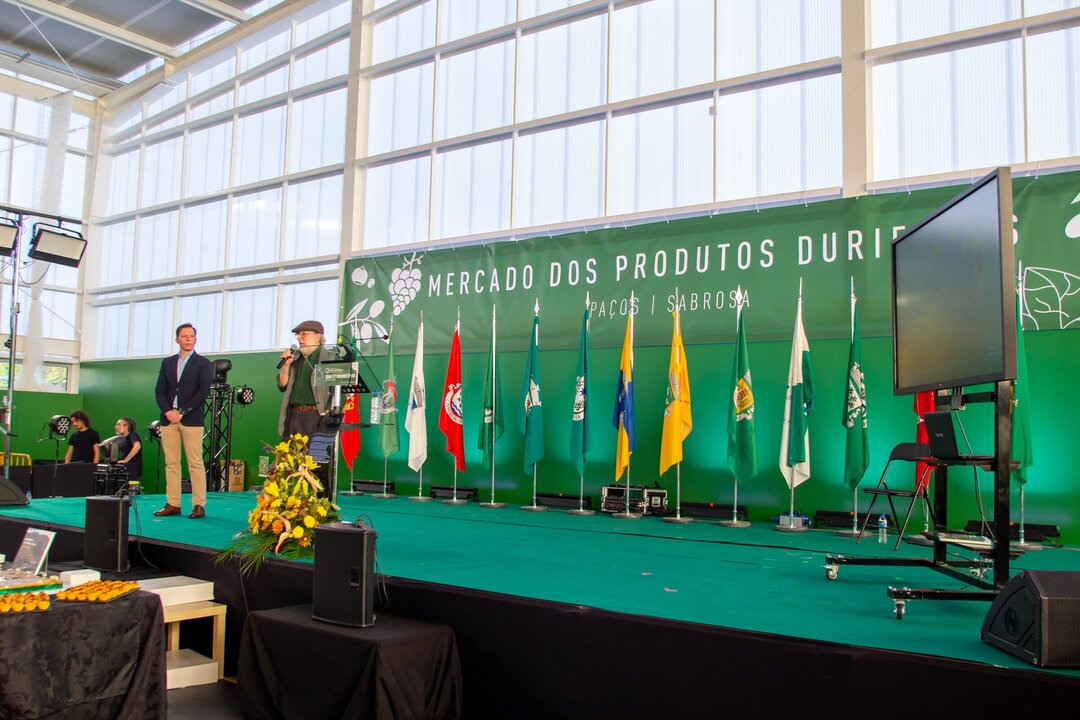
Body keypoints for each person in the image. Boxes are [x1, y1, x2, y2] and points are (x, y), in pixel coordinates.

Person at [153, 323, 213, 519]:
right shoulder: (167, 363)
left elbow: (203, 392)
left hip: (191, 420)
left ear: (195, 339)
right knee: (171, 463)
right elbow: (159, 391)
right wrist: (167, 411)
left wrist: (182, 411)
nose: (188, 339)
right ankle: (173, 504)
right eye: (184, 336)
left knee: (195, 463)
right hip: (168, 420)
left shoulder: (203, 363)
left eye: (191, 336)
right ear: (177, 339)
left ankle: (199, 505)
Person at [277, 320, 336, 440]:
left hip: (316, 415)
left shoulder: (331, 358)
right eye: (298, 335)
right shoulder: (295, 358)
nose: (299, 338)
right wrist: (286, 366)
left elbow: (337, 391)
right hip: (293, 415)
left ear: (318, 336)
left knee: (315, 451)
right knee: (289, 451)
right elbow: (282, 385)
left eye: (304, 334)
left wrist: (327, 414)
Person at [115, 417, 143, 484]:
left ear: (126, 426)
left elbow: (137, 446)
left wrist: (126, 460)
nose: (115, 427)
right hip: (127, 469)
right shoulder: (123, 438)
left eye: (118, 424)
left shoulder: (133, 435)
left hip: (132, 469)